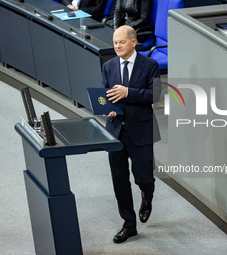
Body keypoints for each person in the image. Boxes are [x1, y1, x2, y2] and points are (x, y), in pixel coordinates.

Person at [101, 25, 161, 243]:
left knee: (143, 177)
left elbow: (155, 95)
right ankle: (129, 224)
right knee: (119, 180)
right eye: (115, 42)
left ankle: (147, 197)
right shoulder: (108, 66)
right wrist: (105, 107)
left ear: (133, 42)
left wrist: (129, 93)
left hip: (141, 130)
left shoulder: (150, 65)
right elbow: (105, 94)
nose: (117, 46)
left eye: (121, 42)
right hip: (116, 131)